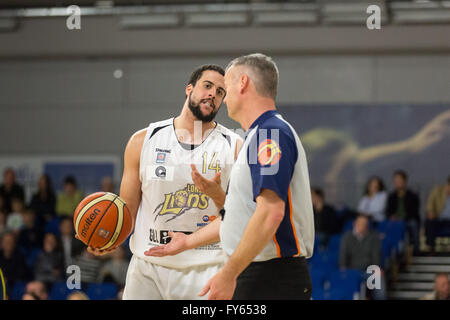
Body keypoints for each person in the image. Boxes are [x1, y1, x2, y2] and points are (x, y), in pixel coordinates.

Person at [148, 54, 315, 300]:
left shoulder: (269, 134)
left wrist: (228, 273)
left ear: (243, 83)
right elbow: (243, 217)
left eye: (226, 86)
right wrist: (187, 242)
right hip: (260, 273)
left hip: (271, 276)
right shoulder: (258, 135)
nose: (222, 97)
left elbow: (271, 213)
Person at [85, 64, 242, 300]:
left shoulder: (234, 146)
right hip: (147, 266)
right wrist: (109, 237)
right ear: (189, 89)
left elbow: (240, 215)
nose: (213, 94)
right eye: (207, 86)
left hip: (205, 267)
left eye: (220, 92)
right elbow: (127, 211)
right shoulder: (142, 141)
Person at [339, 215, 385, 299]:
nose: (363, 225)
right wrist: (343, 268)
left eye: (365, 224)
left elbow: (376, 256)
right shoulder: (347, 237)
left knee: (378, 277)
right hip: (351, 271)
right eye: (361, 223)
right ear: (355, 224)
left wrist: (377, 268)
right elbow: (343, 255)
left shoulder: (373, 237)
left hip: (369, 271)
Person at [385, 170, 420, 254]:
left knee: (413, 224)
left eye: (400, 181)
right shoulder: (391, 196)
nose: (398, 183)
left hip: (408, 219)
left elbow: (414, 212)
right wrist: (392, 216)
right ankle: (392, 251)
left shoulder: (413, 196)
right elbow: (388, 211)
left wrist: (402, 218)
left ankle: (415, 250)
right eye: (396, 181)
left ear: (405, 181)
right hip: (395, 221)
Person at [425, 176, 450, 251]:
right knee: (430, 221)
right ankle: (431, 248)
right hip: (438, 219)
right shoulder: (437, 190)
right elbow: (429, 206)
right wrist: (431, 213)